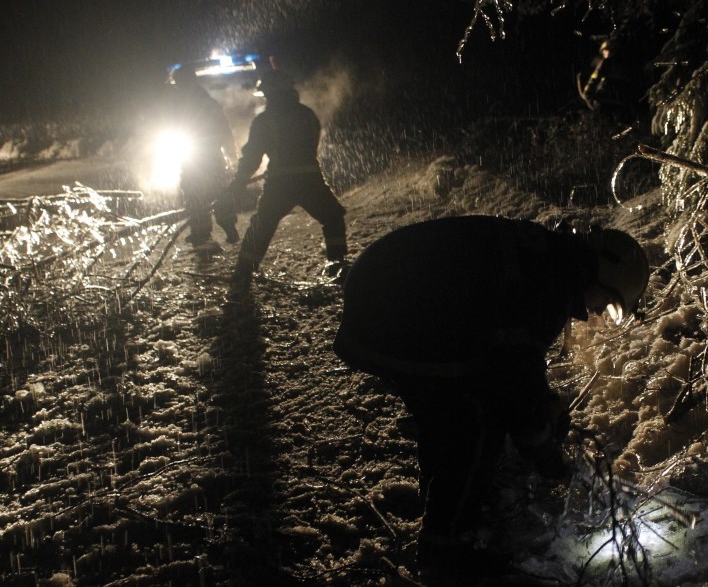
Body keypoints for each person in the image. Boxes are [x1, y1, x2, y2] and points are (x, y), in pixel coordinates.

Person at [332, 215, 649, 574]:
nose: (595, 312)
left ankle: (445, 501)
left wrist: (541, 404)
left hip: (386, 299)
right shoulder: (551, 282)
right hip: (391, 317)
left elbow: (513, 352)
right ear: (601, 275)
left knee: (450, 409)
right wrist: (546, 455)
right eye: (607, 304)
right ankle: (444, 552)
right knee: (477, 424)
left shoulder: (552, 258)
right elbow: (514, 382)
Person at [225, 67, 348, 295]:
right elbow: (311, 147)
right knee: (333, 217)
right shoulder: (307, 114)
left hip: (280, 183)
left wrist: (239, 180)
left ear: (271, 93)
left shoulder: (265, 120)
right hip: (311, 180)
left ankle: (243, 274)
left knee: (262, 225)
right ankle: (337, 266)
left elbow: (253, 157)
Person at [170, 66, 239, 247]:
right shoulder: (178, 104)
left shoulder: (207, 102)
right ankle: (200, 232)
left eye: (180, 83)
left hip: (209, 155)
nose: (178, 86)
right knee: (193, 194)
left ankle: (229, 227)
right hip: (192, 156)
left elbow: (223, 128)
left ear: (190, 81)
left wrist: (230, 151)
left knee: (217, 192)